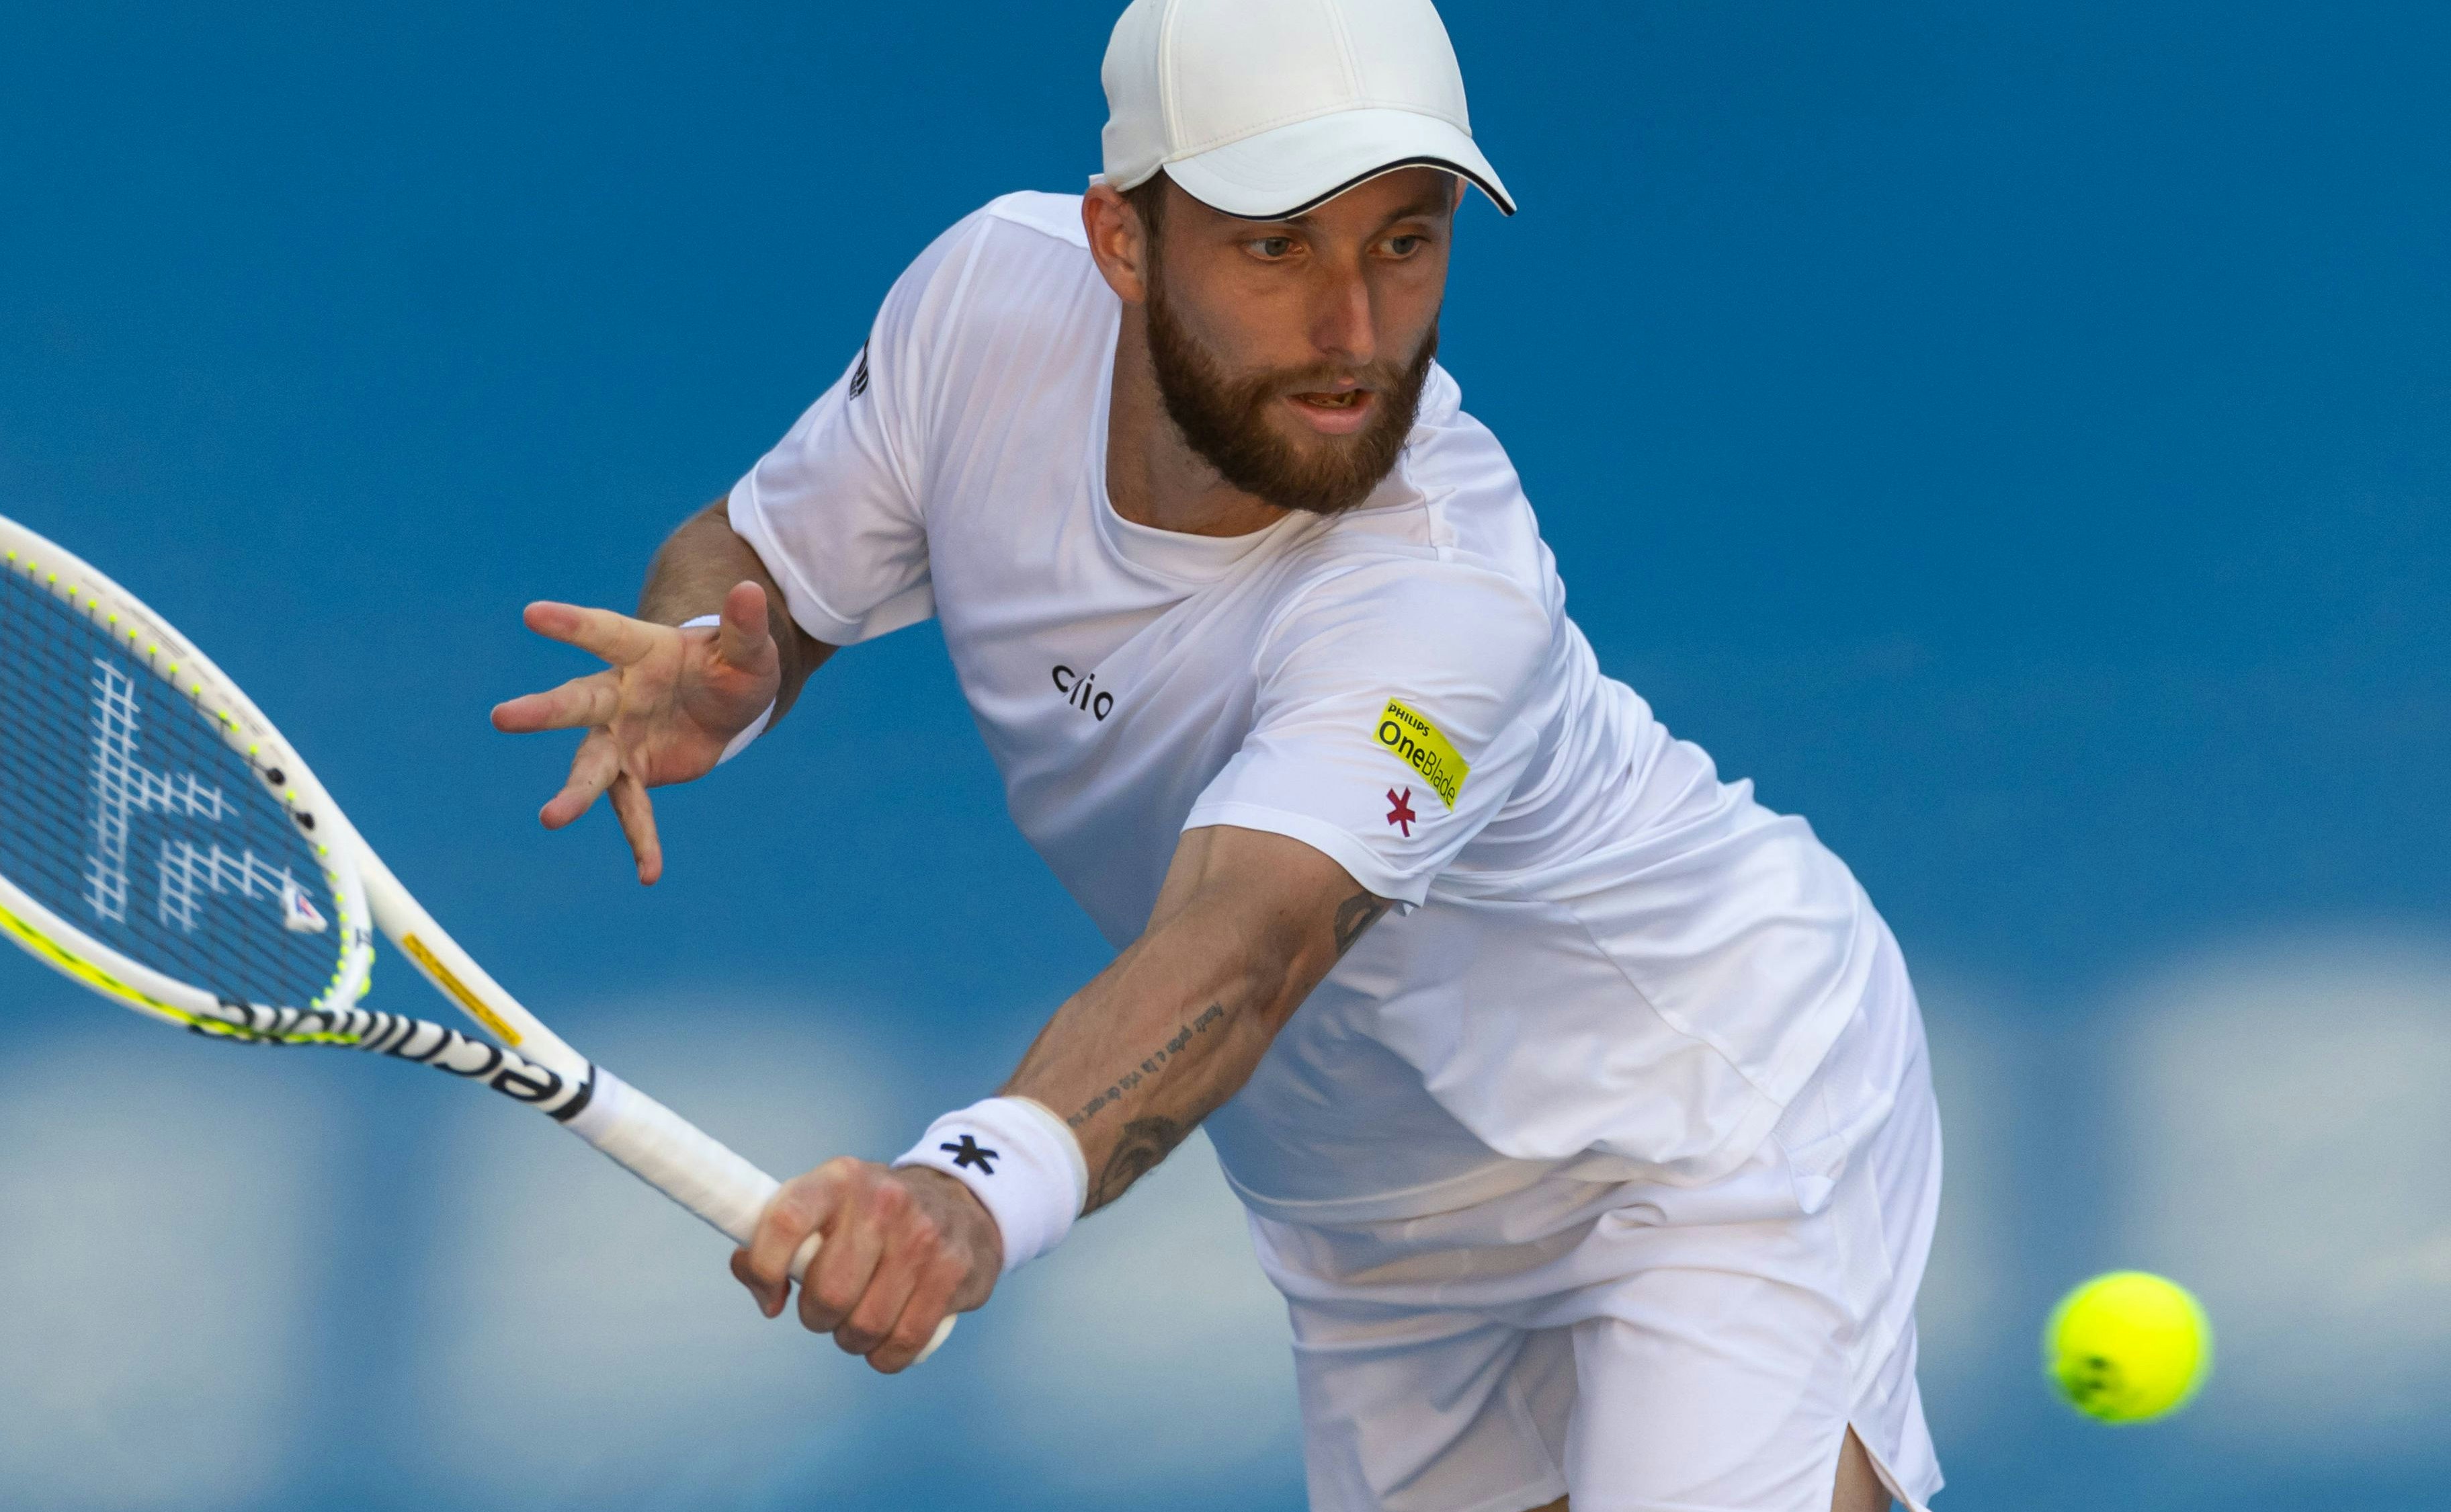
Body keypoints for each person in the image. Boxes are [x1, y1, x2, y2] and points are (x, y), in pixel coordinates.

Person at [491, 1, 1942, 1507]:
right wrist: (724, 660)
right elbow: (765, 557)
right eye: (1276, 246)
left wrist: (970, 1191)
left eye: (1404, 240)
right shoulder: (989, 300)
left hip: (1695, 1123)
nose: (1352, 331)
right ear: (1121, 242)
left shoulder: (1443, 594)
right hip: (1369, 1221)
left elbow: (1243, 950)